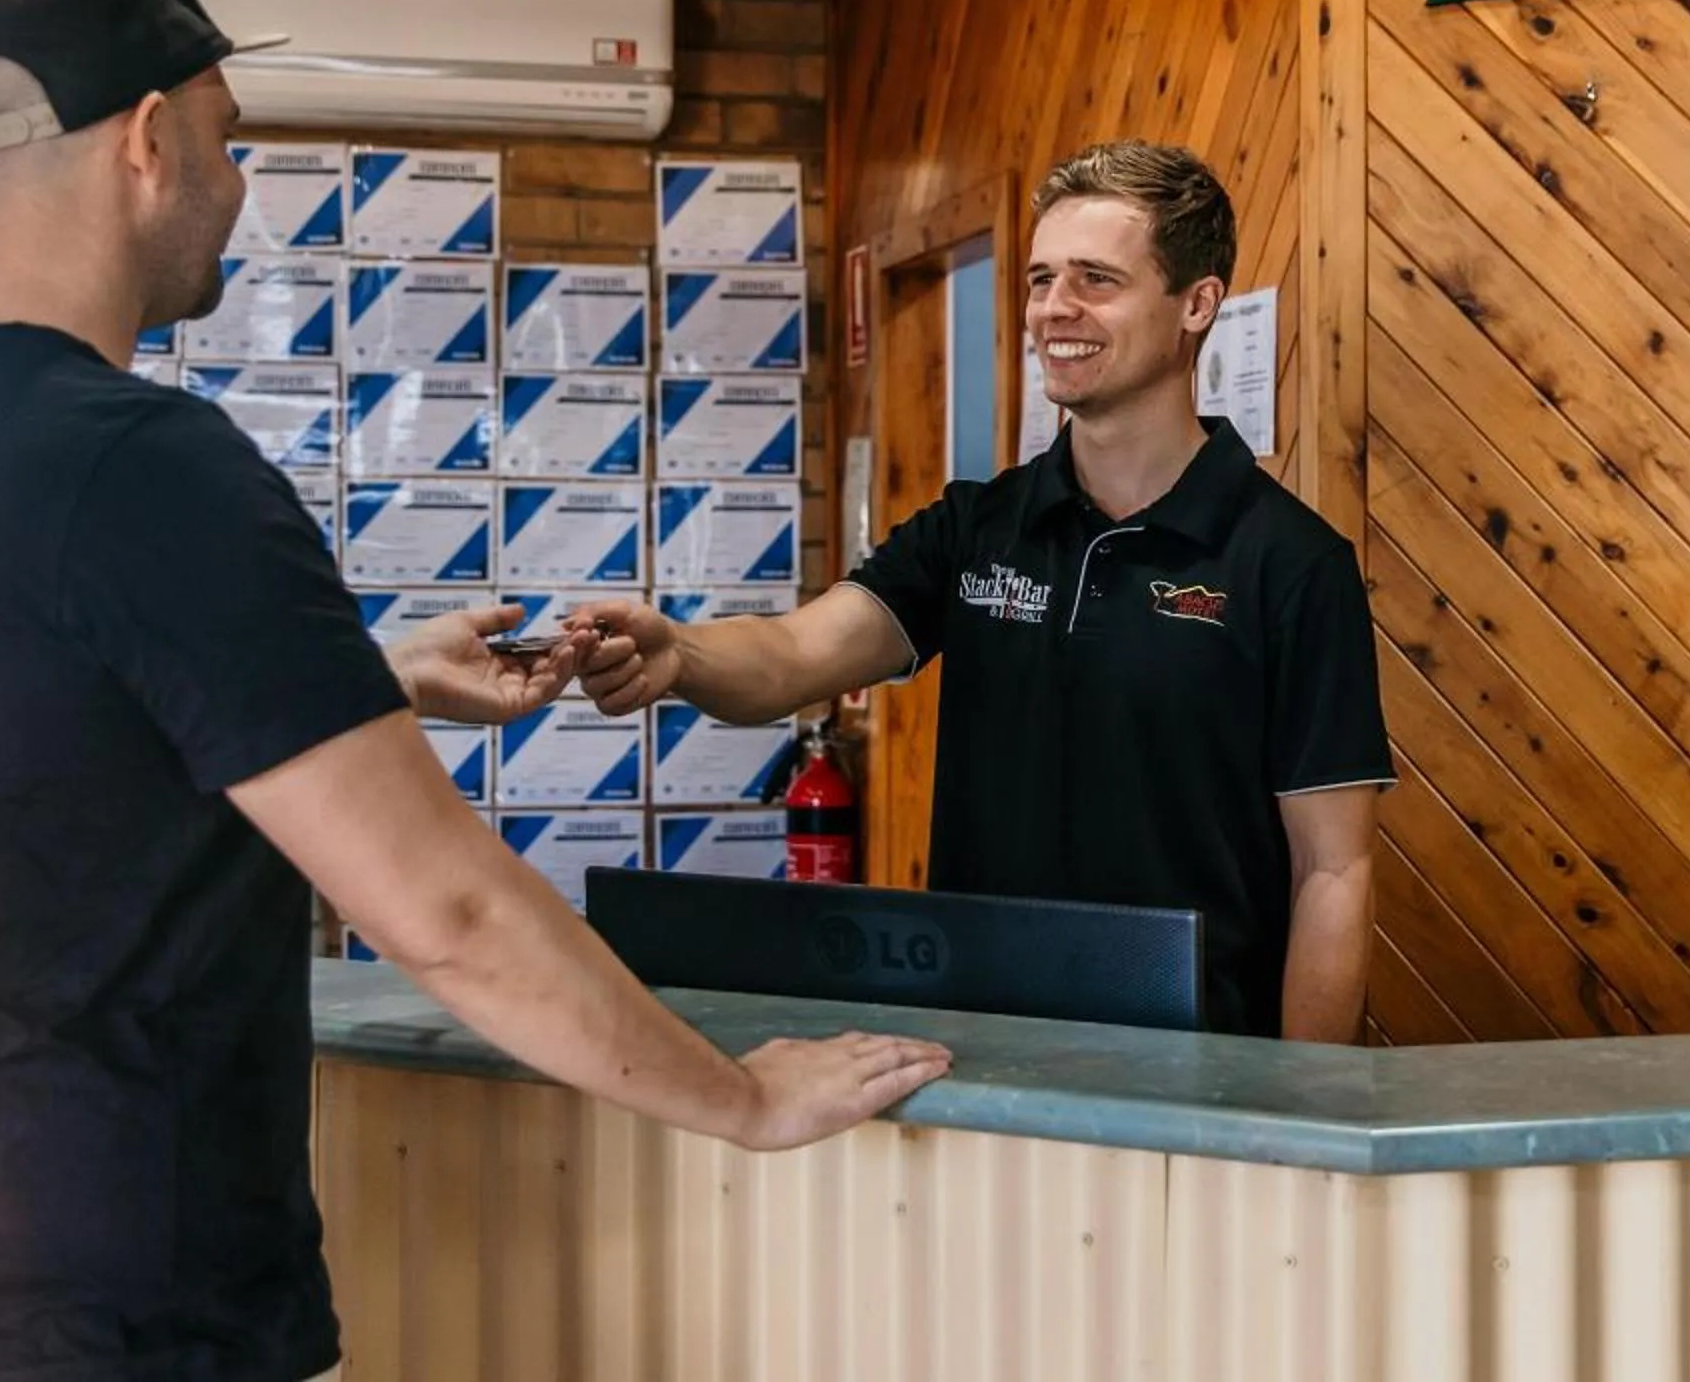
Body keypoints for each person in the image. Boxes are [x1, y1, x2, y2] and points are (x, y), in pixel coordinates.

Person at [0, 0, 947, 1382]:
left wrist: (367, 681)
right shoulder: (146, 467)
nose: (237, 181)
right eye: (225, 135)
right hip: (121, 1333)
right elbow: (446, 912)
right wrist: (743, 1099)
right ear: (145, 142)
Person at [575, 141, 1393, 1040]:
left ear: (1197, 304)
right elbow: (793, 655)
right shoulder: (977, 528)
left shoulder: (1292, 564)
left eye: (1096, 279)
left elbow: (1333, 870)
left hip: (1200, 1074)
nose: (1054, 308)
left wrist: (1300, 1102)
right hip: (979, 1054)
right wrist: (680, 653)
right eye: (1042, 279)